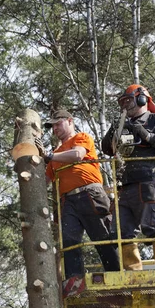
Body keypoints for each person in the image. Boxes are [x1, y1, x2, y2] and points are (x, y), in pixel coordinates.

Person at [40, 109, 119, 297]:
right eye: (52, 126)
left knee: (103, 236)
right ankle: (75, 281)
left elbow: (77, 155)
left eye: (58, 124)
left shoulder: (81, 138)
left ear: (70, 121)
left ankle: (117, 276)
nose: (55, 129)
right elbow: (44, 180)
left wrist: (49, 156)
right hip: (68, 201)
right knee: (69, 240)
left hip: (90, 193)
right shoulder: (56, 154)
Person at [101, 84, 155, 270]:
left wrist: (146, 134)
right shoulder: (122, 124)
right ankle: (133, 273)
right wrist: (115, 129)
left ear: (142, 99)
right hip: (126, 185)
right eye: (123, 102)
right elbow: (106, 148)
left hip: (151, 182)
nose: (125, 105)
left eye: (128, 100)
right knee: (122, 231)